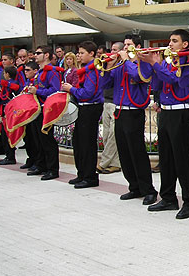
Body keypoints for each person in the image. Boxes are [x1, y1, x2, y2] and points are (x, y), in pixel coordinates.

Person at [139, 29, 189, 219]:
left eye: (174, 41)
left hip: (181, 111)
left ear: (185, 44)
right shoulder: (166, 61)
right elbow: (155, 84)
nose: (170, 44)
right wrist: (147, 62)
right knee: (166, 158)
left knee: (182, 159)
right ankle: (168, 197)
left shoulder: (187, 60)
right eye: (170, 40)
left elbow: (175, 80)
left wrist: (156, 65)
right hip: (165, 111)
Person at [100, 36, 158, 205]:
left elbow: (140, 77)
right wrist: (107, 67)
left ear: (138, 46)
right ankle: (134, 187)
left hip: (134, 112)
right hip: (119, 111)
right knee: (124, 152)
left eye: (128, 45)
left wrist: (126, 61)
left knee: (137, 152)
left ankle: (149, 190)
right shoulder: (119, 64)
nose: (124, 48)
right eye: (123, 45)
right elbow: (105, 84)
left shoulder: (142, 62)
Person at [61, 41, 104, 188]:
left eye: (82, 53)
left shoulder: (93, 69)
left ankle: (90, 176)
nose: (79, 55)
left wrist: (71, 89)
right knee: (78, 142)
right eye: (78, 53)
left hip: (90, 108)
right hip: (83, 108)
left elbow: (88, 93)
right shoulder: (84, 69)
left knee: (87, 144)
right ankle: (82, 173)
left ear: (91, 54)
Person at [26, 45, 63, 180]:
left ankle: (53, 169)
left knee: (47, 140)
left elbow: (55, 91)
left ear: (46, 55)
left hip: (47, 109)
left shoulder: (51, 71)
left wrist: (38, 91)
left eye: (38, 53)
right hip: (38, 108)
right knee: (38, 139)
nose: (35, 55)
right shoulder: (40, 72)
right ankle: (41, 164)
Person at [97, 41, 122, 174]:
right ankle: (115, 164)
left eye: (115, 50)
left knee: (113, 135)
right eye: (111, 49)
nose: (111, 52)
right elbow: (103, 84)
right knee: (106, 135)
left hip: (115, 103)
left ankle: (103, 162)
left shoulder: (122, 65)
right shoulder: (109, 66)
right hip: (106, 102)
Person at [0, 65, 21, 165]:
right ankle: (8, 155)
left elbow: (16, 88)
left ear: (7, 74)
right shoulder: (5, 85)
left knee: (8, 135)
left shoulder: (13, 83)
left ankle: (11, 156)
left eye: (4, 73)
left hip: (10, 113)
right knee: (4, 135)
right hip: (4, 112)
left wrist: (5, 85)